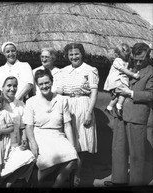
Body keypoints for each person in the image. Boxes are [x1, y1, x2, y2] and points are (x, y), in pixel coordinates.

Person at [104, 42, 153, 186]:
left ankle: (136, 183)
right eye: (136, 58)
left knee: (137, 153)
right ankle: (118, 181)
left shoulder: (151, 71)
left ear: (148, 56)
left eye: (142, 59)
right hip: (120, 113)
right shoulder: (126, 65)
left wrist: (130, 93)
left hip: (137, 116)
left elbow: (151, 95)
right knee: (118, 149)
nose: (138, 62)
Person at [23, 68, 78, 188]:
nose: (44, 86)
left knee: (73, 158)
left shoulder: (62, 100)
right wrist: (32, 143)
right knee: (50, 163)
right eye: (41, 84)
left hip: (58, 135)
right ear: (37, 85)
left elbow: (67, 125)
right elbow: (29, 126)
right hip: (40, 136)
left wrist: (72, 145)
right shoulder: (31, 102)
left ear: (52, 82)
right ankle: (32, 184)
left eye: (47, 83)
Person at [56, 43, 99, 186]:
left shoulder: (90, 70)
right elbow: (59, 91)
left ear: (82, 54)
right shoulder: (63, 71)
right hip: (67, 106)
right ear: (67, 56)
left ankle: (76, 176)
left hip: (83, 105)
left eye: (76, 54)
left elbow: (93, 93)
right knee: (68, 142)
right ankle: (67, 175)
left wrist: (89, 112)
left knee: (81, 144)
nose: (74, 57)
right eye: (71, 54)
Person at [0, 76, 36, 187]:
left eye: (15, 86)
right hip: (1, 145)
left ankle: (9, 182)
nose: (12, 88)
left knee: (31, 157)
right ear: (3, 87)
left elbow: (23, 126)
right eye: (9, 85)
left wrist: (24, 138)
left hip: (16, 144)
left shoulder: (20, 105)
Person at [103, 43, 140, 116]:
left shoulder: (126, 61)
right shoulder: (117, 60)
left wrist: (132, 70)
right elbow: (124, 70)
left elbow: (128, 69)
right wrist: (133, 74)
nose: (127, 57)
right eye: (126, 55)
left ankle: (109, 107)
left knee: (118, 95)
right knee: (124, 92)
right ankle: (119, 106)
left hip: (121, 80)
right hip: (117, 81)